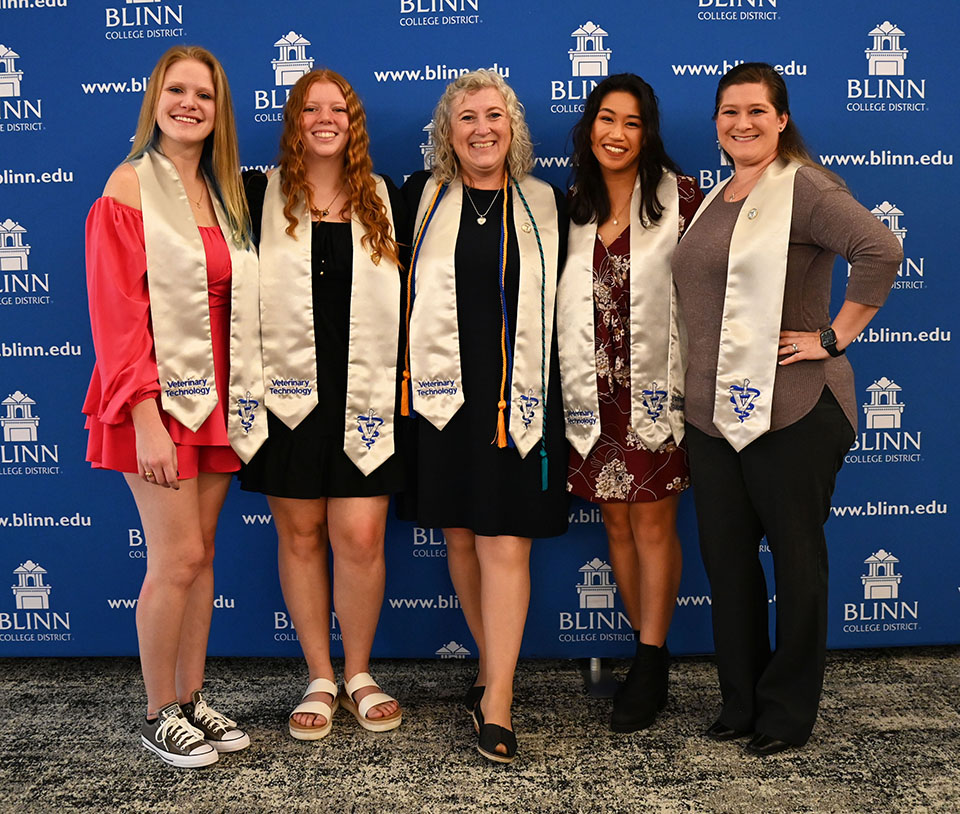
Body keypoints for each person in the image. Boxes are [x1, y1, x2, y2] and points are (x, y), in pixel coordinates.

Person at [671, 62, 902, 756]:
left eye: (755, 111)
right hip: (714, 417)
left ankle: (786, 712)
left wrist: (835, 336)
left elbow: (880, 249)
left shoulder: (804, 186)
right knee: (729, 563)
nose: (741, 123)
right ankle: (740, 702)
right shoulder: (719, 194)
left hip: (794, 409)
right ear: (716, 123)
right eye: (728, 112)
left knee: (798, 564)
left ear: (781, 119)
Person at [83, 45, 265, 767]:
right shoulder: (128, 186)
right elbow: (117, 316)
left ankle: (191, 699)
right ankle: (158, 710)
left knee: (202, 556)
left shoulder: (225, 194)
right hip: (152, 401)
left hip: (217, 397)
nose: (190, 104)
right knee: (176, 556)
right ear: (155, 99)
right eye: (177, 90)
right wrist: (145, 418)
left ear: (220, 113)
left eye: (205, 95)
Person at [400, 70, 569, 763]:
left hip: (517, 401)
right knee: (463, 539)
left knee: (505, 542)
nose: (481, 128)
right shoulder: (419, 196)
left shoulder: (543, 202)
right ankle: (485, 672)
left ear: (512, 127)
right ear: (448, 132)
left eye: (493, 115)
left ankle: (497, 698)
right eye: (465, 117)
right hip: (443, 401)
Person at [240, 69, 404, 739]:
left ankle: (359, 671)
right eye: (312, 107)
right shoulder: (257, 194)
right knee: (301, 535)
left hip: (365, 391)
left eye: (339, 108)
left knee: (361, 536)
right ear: (294, 120)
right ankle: (318, 674)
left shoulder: (386, 199)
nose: (326, 118)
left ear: (354, 121)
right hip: (288, 394)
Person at [557, 73, 703, 732]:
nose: (617, 133)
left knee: (652, 525)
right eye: (607, 119)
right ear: (590, 128)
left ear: (649, 133)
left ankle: (649, 659)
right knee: (615, 524)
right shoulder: (570, 208)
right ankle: (648, 646)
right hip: (592, 394)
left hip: (653, 390)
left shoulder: (683, 202)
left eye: (633, 122)